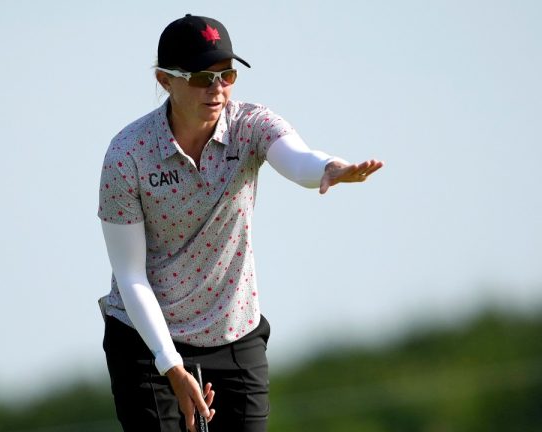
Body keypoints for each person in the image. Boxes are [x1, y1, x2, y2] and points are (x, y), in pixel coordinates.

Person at [98, 14, 383, 432]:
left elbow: (296, 157)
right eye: (201, 78)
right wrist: (171, 366)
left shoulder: (250, 125)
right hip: (147, 343)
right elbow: (129, 274)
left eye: (226, 75)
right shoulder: (128, 155)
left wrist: (328, 168)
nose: (217, 90)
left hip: (233, 330)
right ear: (165, 80)